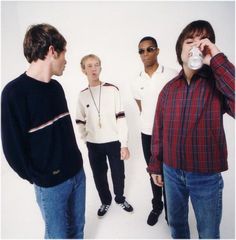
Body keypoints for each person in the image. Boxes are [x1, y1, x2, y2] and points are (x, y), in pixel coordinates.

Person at [148, 20, 235, 238]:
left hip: (205, 175)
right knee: (176, 225)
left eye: (203, 41)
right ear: (180, 50)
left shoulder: (218, 84)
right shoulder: (168, 90)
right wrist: (156, 165)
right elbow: (158, 130)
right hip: (171, 172)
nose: (196, 45)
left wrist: (216, 58)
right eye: (190, 41)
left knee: (208, 232)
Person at [1, 24, 86, 239]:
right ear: (51, 51)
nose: (66, 60)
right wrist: (41, 177)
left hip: (77, 175)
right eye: (64, 52)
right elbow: (13, 151)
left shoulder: (56, 88)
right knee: (57, 236)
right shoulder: (14, 93)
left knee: (78, 231)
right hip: (51, 186)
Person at [76, 54, 133, 217]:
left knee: (118, 172)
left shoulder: (112, 89)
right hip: (94, 144)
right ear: (83, 70)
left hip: (114, 141)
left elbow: (121, 118)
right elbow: (79, 120)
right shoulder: (82, 95)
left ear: (100, 67)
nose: (93, 69)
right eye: (89, 66)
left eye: (96, 65)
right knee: (98, 174)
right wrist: (85, 139)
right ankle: (105, 201)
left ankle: (120, 198)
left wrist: (124, 143)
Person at [131, 36, 177, 226]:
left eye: (150, 49)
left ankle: (171, 209)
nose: (145, 54)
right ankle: (157, 205)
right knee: (153, 171)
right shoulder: (136, 81)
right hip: (147, 134)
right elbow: (142, 108)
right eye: (141, 51)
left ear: (157, 50)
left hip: (170, 134)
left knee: (170, 172)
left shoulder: (173, 74)